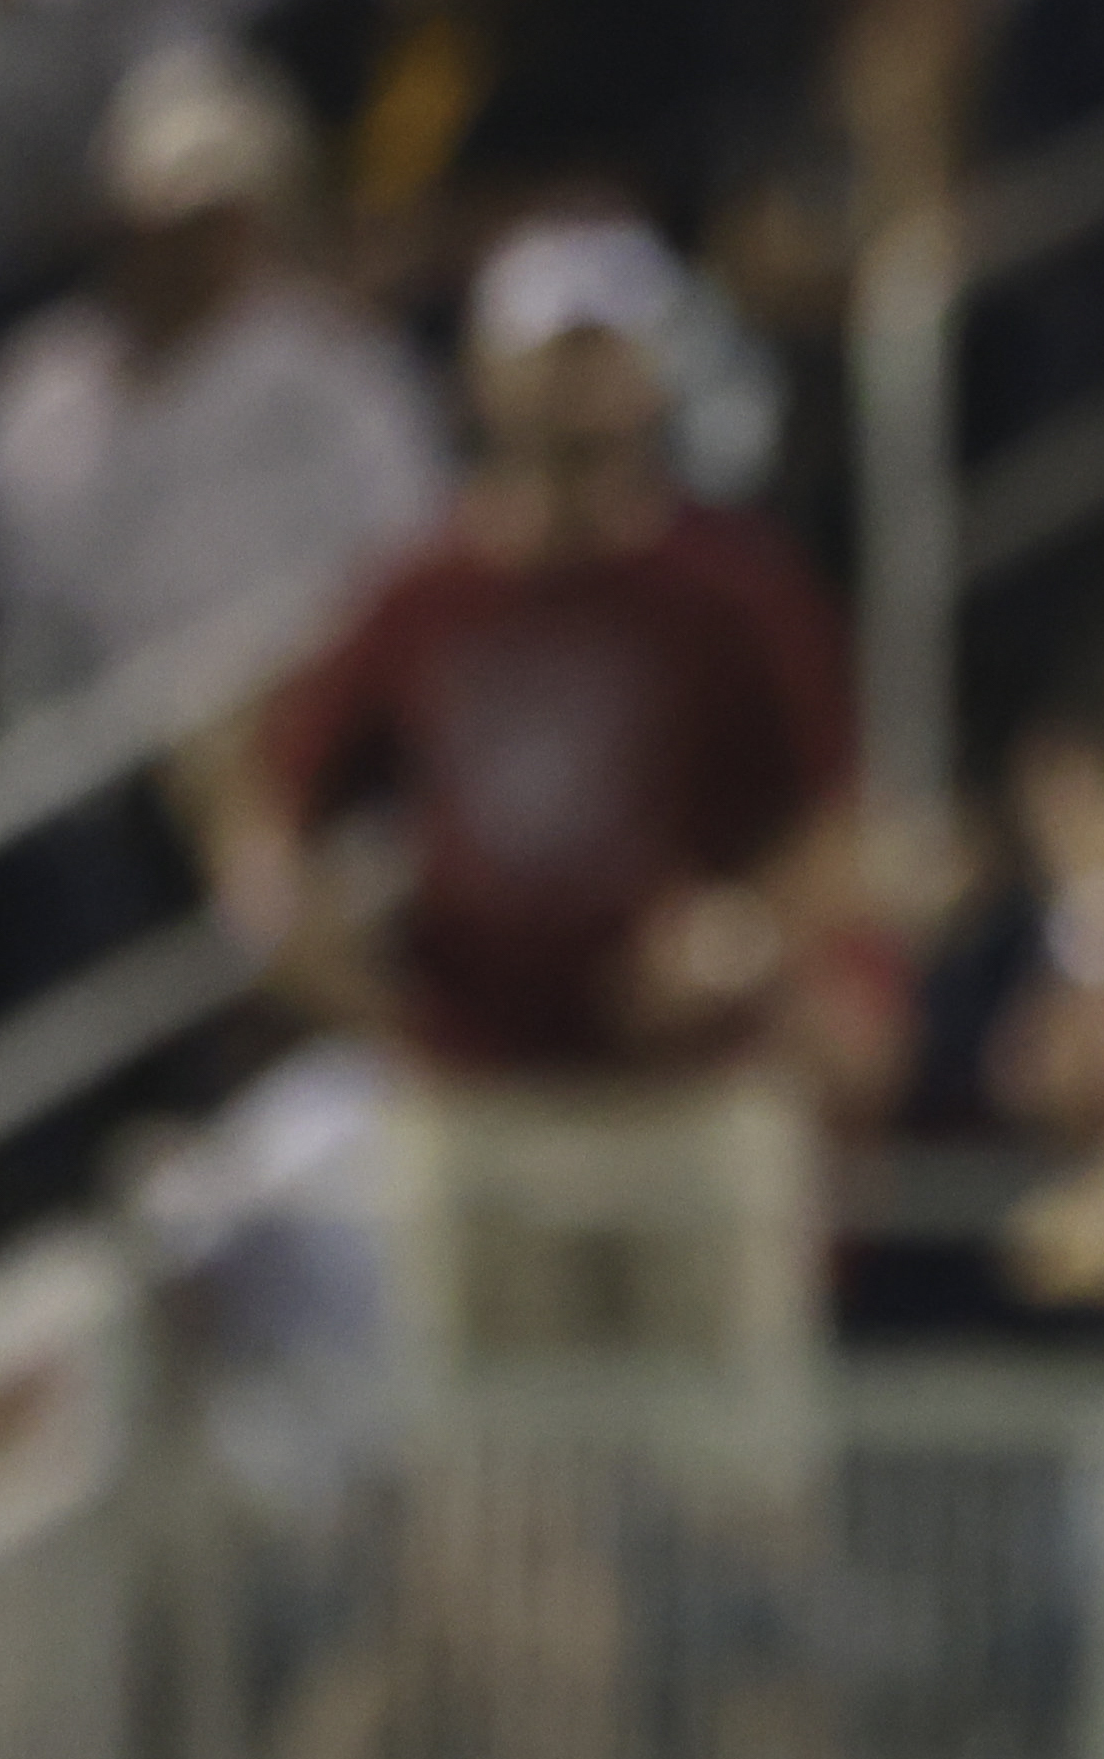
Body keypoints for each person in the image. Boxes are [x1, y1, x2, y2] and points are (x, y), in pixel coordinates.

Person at [221, 213, 860, 1401]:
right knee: (502, 1488)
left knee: (725, 1474)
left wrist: (750, 937)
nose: (573, 388)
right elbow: (280, 803)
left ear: (650, 373)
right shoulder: (421, 594)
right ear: (487, 376)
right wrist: (311, 949)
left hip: (685, 1101)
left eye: (598, 351)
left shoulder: (733, 592)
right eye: (548, 355)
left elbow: (834, 823)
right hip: (480, 1097)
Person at [0, 40, 449, 719]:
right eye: (163, 223)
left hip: (293, 733)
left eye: (214, 220)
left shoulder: (343, 375)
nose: (186, 249)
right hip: (78, 753)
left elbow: (404, 569)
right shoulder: (35, 387)